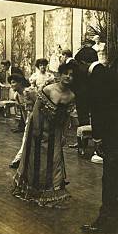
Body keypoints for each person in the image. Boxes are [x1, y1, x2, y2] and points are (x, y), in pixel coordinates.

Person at [11, 63, 78, 207]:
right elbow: (36, 109)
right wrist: (34, 130)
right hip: (39, 128)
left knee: (55, 159)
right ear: (60, 74)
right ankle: (34, 188)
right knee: (36, 159)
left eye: (72, 75)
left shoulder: (71, 96)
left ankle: (52, 189)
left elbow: (66, 118)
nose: (68, 77)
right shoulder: (48, 89)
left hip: (56, 131)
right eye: (66, 73)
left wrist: (64, 135)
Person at [80, 58, 118, 234]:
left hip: (112, 137)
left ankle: (104, 223)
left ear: (83, 63)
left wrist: (97, 138)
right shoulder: (113, 74)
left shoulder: (96, 78)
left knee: (110, 180)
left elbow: (98, 110)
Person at [8, 74, 37, 169]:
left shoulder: (30, 91)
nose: (11, 85)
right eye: (11, 83)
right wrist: (26, 123)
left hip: (38, 116)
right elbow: (23, 111)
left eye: (13, 82)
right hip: (30, 117)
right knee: (26, 138)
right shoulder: (17, 95)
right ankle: (20, 160)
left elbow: (40, 105)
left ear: (20, 82)